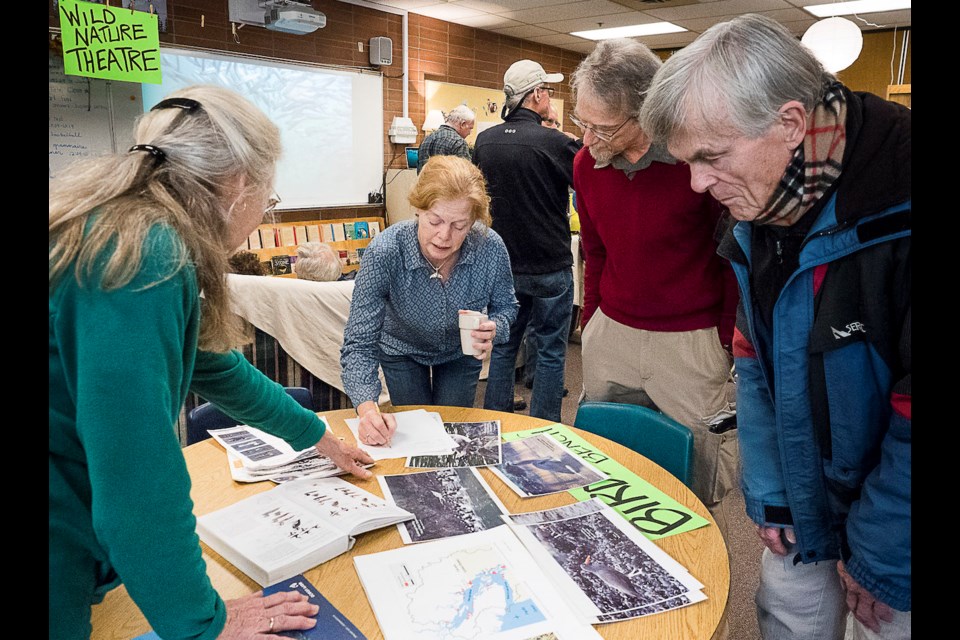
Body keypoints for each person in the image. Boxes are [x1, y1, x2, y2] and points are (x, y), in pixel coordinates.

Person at [49, 85, 375, 640]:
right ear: (238, 185)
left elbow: (216, 368)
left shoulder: (123, 223)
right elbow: (137, 477)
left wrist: (317, 437)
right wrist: (204, 624)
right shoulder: (144, 256)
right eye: (269, 199)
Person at [639, 14, 911, 640]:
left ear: (790, 123)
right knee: (787, 616)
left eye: (710, 157)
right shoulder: (758, 200)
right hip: (807, 488)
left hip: (898, 512)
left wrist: (881, 554)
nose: (696, 183)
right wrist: (770, 494)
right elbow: (754, 361)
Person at [569, 38, 740, 542]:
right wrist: (592, 319)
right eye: (582, 122)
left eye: (601, 127)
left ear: (646, 111)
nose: (586, 137)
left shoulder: (697, 164)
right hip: (612, 333)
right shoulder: (585, 164)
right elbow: (596, 250)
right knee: (606, 465)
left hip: (691, 340)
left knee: (698, 481)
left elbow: (733, 258)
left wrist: (726, 337)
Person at [340, 155, 517, 447]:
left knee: (452, 435)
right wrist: (367, 408)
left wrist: (495, 327)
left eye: (460, 225)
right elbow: (359, 343)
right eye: (435, 220)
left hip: (461, 353)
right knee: (414, 437)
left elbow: (507, 308)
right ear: (418, 210)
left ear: (473, 220)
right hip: (401, 349)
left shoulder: (491, 248)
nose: (444, 236)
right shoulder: (385, 252)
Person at [473, 59, 581, 422]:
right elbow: (587, 186)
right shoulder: (554, 143)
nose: (550, 96)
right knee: (550, 350)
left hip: (503, 264)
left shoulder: (484, 142)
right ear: (535, 94)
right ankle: (545, 426)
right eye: (547, 90)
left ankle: (496, 420)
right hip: (549, 263)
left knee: (503, 346)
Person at [417, 104, 476, 173]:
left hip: (426, 183)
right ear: (462, 124)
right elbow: (466, 175)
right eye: (470, 128)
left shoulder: (426, 140)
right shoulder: (458, 142)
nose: (470, 133)